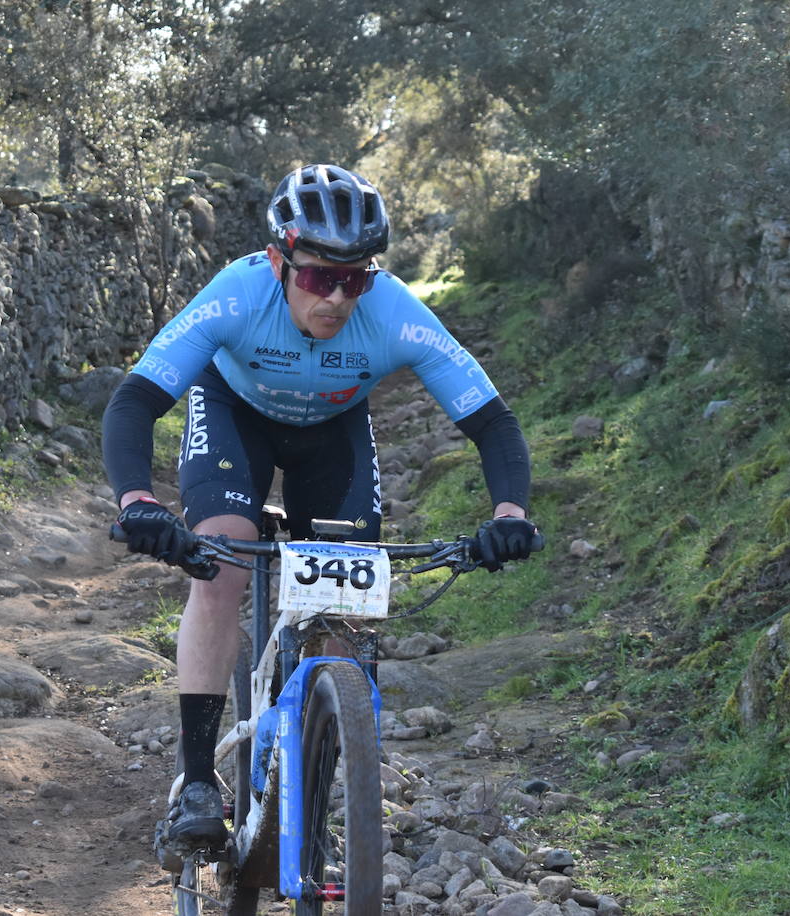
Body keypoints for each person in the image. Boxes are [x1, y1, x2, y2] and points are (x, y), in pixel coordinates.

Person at [101, 163, 540, 858]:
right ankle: (195, 781)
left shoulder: (392, 309)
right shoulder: (240, 293)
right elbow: (134, 401)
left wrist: (510, 512)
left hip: (332, 433)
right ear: (279, 261)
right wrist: (139, 503)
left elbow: (492, 422)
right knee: (221, 560)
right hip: (234, 414)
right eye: (316, 277)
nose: (336, 297)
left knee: (344, 600)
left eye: (354, 278)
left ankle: (315, 792)